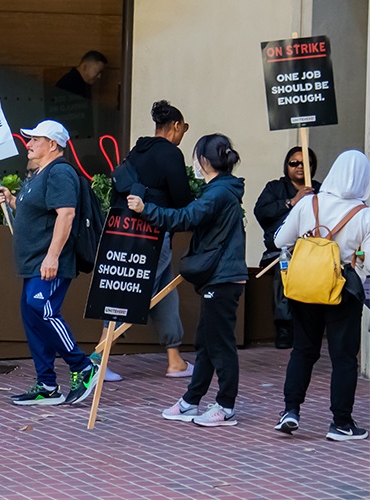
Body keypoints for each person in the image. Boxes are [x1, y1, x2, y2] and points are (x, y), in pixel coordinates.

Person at [128, 133, 246, 427]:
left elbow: (185, 218)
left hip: (223, 279)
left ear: (204, 160)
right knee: (207, 343)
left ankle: (226, 406)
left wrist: (146, 210)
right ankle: (192, 400)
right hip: (219, 278)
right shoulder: (221, 190)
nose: (193, 163)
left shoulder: (218, 193)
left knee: (220, 345)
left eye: (196, 157)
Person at [0, 120, 100, 407]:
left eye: (35, 139)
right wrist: (11, 199)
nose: (28, 144)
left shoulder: (60, 172)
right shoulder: (40, 174)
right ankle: (47, 385)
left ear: (53, 144)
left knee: (43, 308)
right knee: (32, 315)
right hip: (33, 262)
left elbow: (66, 215)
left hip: (48, 261)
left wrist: (52, 256)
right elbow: (37, 211)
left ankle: (82, 366)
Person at [272, 150, 370, 442]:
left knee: (303, 350)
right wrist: (358, 260)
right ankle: (341, 422)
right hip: (343, 290)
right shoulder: (364, 215)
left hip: (305, 287)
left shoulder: (309, 203)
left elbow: (280, 240)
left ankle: (290, 410)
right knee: (343, 357)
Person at [101, 100, 195, 380]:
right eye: (184, 129)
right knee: (129, 291)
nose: (182, 135)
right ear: (176, 126)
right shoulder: (171, 155)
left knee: (165, 291)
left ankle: (175, 359)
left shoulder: (137, 150)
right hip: (153, 233)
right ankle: (98, 359)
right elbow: (181, 199)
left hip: (126, 232)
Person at [253, 147, 320, 349]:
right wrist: (292, 201)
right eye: (294, 163)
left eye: (305, 163)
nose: (299, 167)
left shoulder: (319, 189)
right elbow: (262, 212)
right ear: (287, 165)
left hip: (312, 250)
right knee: (285, 268)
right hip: (280, 252)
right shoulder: (275, 188)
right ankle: (284, 327)